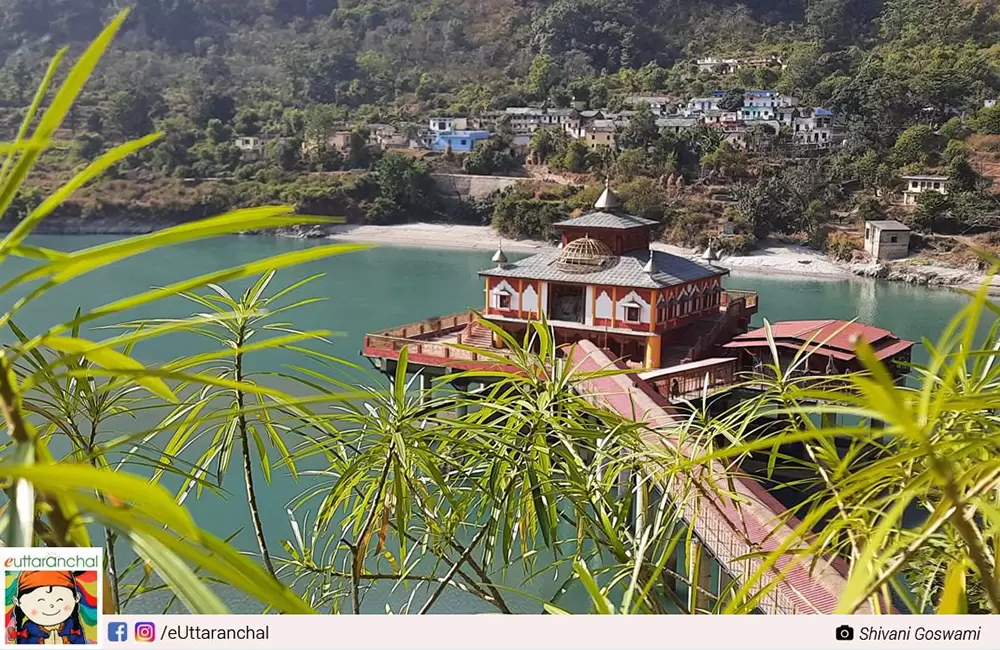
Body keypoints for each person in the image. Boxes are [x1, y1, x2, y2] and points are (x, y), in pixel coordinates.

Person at [10, 571, 87, 644]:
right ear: (18, 602)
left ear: (76, 598)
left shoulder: (73, 625)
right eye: (40, 601)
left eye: (60, 600)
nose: (51, 606)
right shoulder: (28, 629)